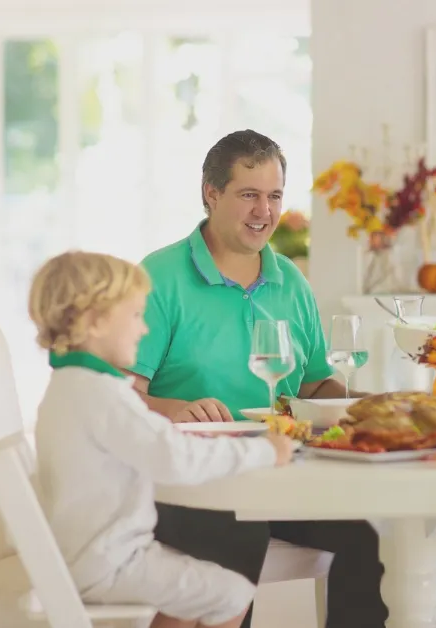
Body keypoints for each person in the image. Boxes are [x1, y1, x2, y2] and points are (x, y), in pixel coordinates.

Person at [127, 129, 388, 628]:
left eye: (273, 196)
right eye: (249, 195)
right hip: (187, 478)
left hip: (278, 472)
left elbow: (312, 386)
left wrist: (366, 404)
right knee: (236, 537)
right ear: (212, 194)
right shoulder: (158, 278)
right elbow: (120, 394)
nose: (263, 211)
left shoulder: (290, 279)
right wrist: (174, 409)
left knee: (365, 539)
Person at [28, 251, 297, 628]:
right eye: (135, 316)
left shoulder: (68, 385)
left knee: (195, 596)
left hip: (89, 555)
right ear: (95, 321)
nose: (143, 329)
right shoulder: (103, 393)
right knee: (232, 595)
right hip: (111, 561)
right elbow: (176, 459)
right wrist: (263, 450)